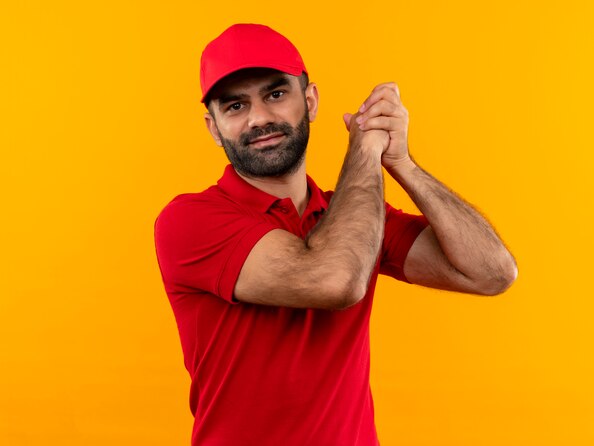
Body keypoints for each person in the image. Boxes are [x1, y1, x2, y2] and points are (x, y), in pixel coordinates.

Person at [154, 23, 517, 446]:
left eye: (275, 94)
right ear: (213, 128)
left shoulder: (353, 216)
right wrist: (365, 147)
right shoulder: (189, 220)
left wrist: (402, 163)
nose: (260, 118)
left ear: (309, 102)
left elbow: (491, 273)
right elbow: (333, 280)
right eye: (235, 106)